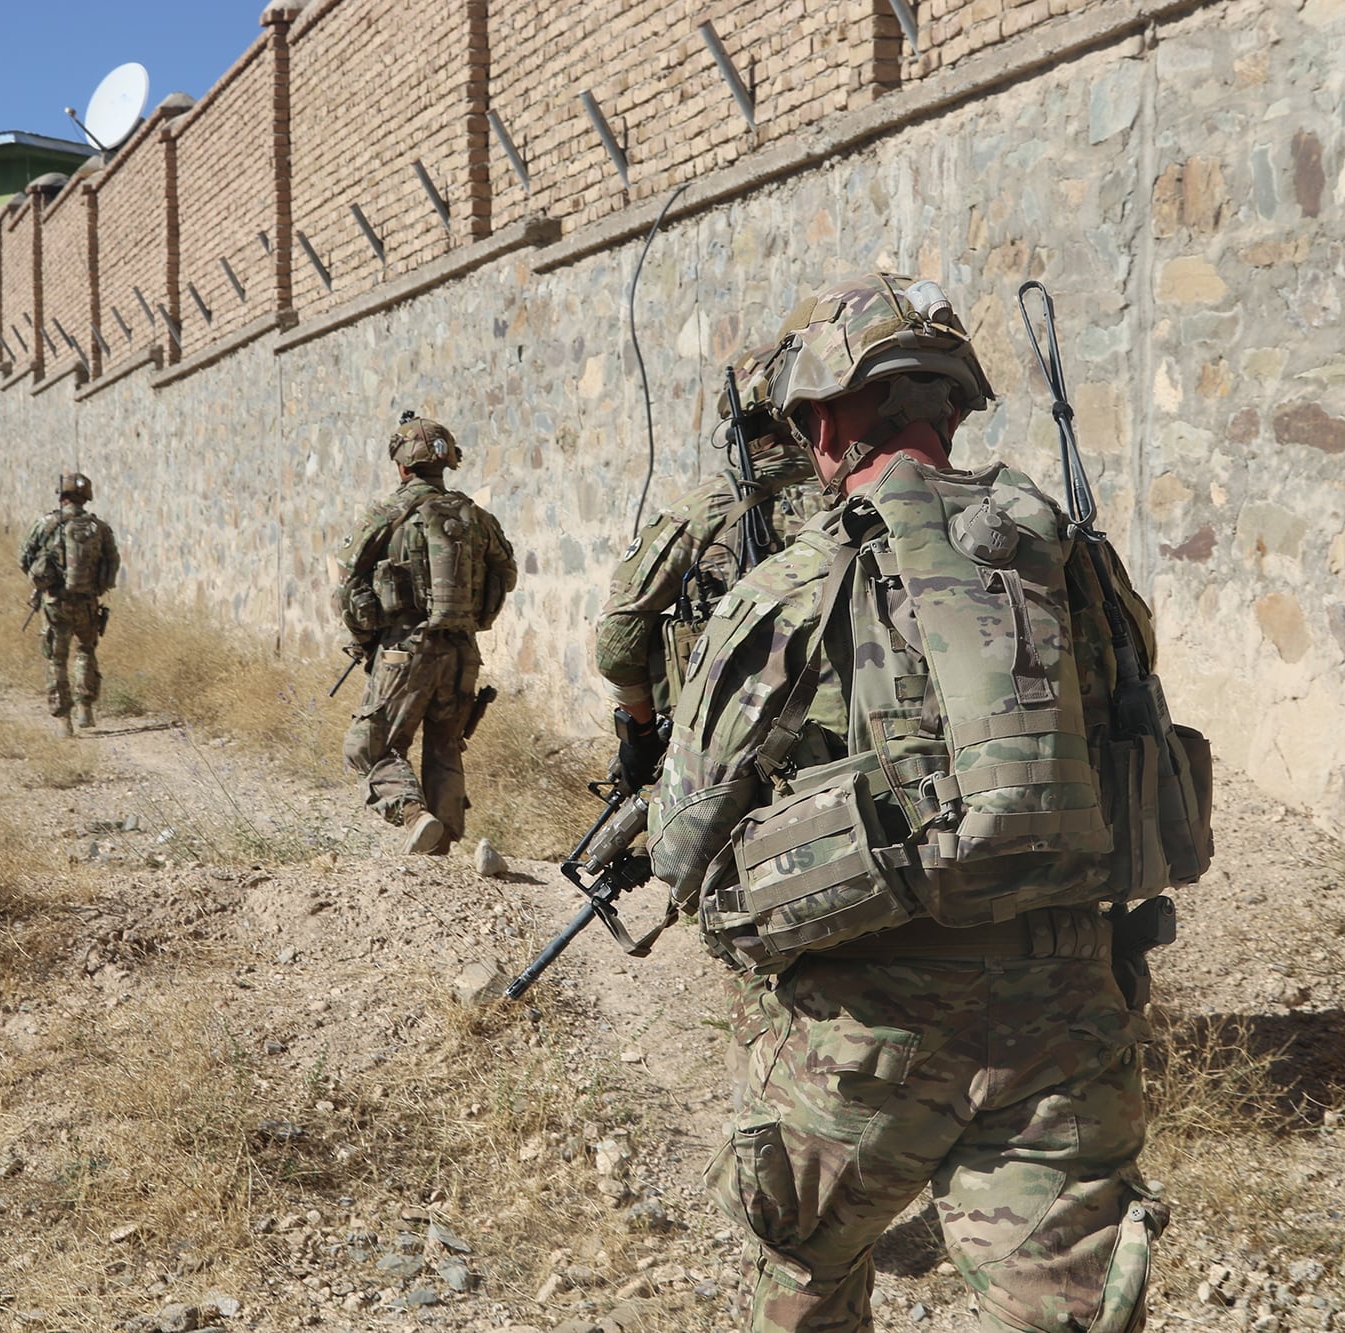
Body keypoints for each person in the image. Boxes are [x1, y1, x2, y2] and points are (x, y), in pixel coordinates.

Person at [647, 273, 1209, 1333]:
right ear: (948, 411)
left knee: (807, 1269)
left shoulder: (790, 585)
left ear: (820, 426)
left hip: (860, 1044)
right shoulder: (1073, 566)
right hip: (1064, 1020)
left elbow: (683, 844)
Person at [594, 350, 821, 789]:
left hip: (722, 751)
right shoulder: (863, 500)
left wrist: (642, 735)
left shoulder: (709, 509)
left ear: (743, 431)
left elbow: (616, 643)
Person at [336, 411, 517, 854]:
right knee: (445, 746)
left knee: (367, 747)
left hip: (405, 649)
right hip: (461, 653)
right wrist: (475, 616)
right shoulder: (476, 517)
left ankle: (415, 816)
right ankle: (444, 847)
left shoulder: (387, 513)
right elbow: (505, 572)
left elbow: (348, 581)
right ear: (447, 462)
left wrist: (366, 639)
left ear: (401, 466)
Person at [17, 472, 119, 736]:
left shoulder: (46, 524)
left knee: (57, 660)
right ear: (86, 497)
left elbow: (24, 558)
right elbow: (113, 562)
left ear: (61, 496)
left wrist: (43, 580)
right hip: (87, 602)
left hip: (55, 602)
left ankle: (64, 721)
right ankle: (85, 708)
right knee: (85, 651)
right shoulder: (100, 528)